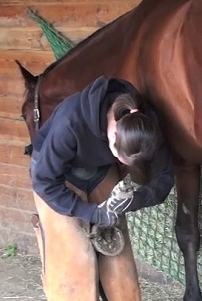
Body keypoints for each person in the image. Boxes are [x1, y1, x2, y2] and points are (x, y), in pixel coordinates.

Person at [30, 75, 174, 301]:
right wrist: (92, 212)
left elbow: (165, 178)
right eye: (120, 156)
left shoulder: (144, 125)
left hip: (98, 170)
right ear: (114, 135)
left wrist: (133, 200)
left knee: (118, 261)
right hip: (53, 175)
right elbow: (44, 181)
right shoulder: (72, 120)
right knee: (75, 263)